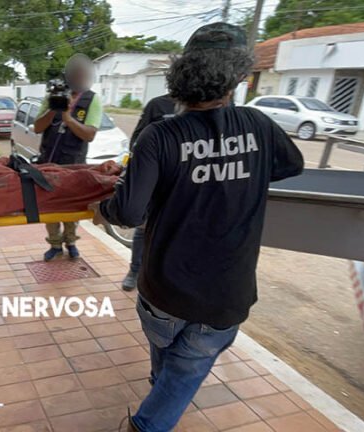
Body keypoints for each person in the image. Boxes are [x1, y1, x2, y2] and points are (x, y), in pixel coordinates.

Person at [95, 23, 304, 431]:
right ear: (237, 77)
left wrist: (100, 207)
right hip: (225, 294)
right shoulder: (258, 125)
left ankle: (149, 416)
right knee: (184, 371)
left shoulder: (159, 135)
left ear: (180, 74)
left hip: (163, 290)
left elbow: (129, 212)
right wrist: (237, 172)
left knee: (168, 362)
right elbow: (291, 165)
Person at [34, 53, 103, 261]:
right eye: (74, 73)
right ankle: (55, 244)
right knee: (50, 205)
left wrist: (67, 118)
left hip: (74, 164)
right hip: (48, 162)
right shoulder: (53, 95)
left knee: (72, 205)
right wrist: (53, 109)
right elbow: (37, 127)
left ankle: (71, 241)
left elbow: (89, 135)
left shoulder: (92, 99)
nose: (77, 77)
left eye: (82, 74)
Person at [121, 94, 178, 291]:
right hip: (157, 179)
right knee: (143, 226)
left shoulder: (214, 104)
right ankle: (134, 270)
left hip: (188, 181)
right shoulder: (158, 105)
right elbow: (136, 141)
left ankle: (164, 275)